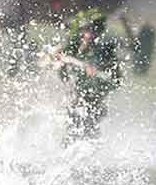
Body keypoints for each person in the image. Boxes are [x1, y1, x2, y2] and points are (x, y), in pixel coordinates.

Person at [53, 9, 123, 142]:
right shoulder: (75, 50)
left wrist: (96, 74)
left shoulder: (103, 54)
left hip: (95, 100)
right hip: (78, 98)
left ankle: (88, 149)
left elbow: (115, 82)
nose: (88, 36)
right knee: (73, 127)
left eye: (92, 32)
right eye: (86, 32)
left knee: (89, 130)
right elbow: (64, 76)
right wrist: (61, 65)